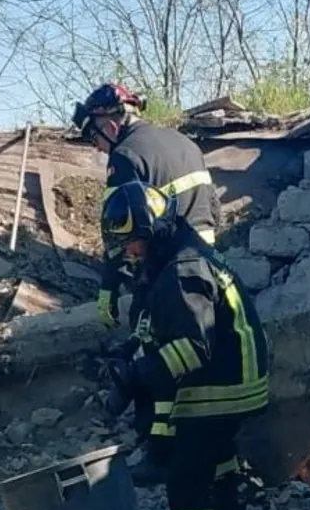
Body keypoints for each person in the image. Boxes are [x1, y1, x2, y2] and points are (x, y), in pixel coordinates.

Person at [99, 181, 269, 510]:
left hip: (224, 384)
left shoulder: (182, 267)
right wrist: (128, 353)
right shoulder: (174, 256)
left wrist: (137, 376)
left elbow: (193, 347)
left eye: (132, 243)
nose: (129, 253)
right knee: (214, 448)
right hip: (237, 376)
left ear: (151, 230)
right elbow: (160, 327)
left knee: (185, 477)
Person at [71, 82, 221, 330]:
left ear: (110, 126)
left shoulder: (125, 156)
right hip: (209, 260)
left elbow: (117, 229)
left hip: (169, 269)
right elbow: (213, 207)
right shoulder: (183, 141)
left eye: (93, 136)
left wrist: (109, 286)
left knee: (150, 341)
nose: (95, 146)